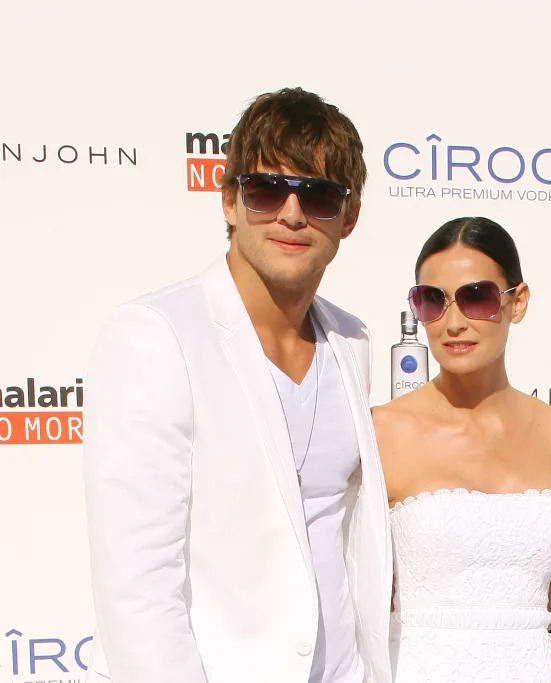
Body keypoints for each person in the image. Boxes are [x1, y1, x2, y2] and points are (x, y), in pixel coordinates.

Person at [83, 87, 392, 683]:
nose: (292, 214)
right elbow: (137, 587)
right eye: (267, 190)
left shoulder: (352, 342)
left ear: (349, 218)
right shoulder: (156, 336)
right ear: (229, 200)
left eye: (320, 196)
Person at [372, 217, 551, 683]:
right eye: (431, 300)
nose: (453, 323)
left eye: (477, 297)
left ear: (518, 302)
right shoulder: (383, 432)